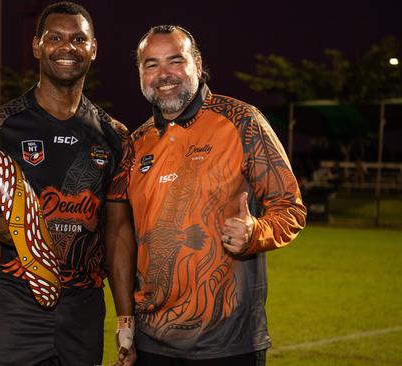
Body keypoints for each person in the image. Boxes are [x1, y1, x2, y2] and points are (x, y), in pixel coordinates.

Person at [0, 2, 130, 365]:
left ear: (94, 48)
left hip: (84, 308)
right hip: (12, 299)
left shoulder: (115, 137)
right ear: (36, 46)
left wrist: (126, 316)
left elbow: (119, 232)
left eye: (78, 38)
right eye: (54, 38)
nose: (67, 47)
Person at [106, 25, 307, 365]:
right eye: (151, 64)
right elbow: (122, 235)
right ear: (140, 73)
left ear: (197, 64)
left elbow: (291, 208)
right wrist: (126, 323)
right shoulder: (136, 144)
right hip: (152, 340)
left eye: (175, 60)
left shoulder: (243, 121)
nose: (163, 74)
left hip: (229, 343)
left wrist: (256, 232)